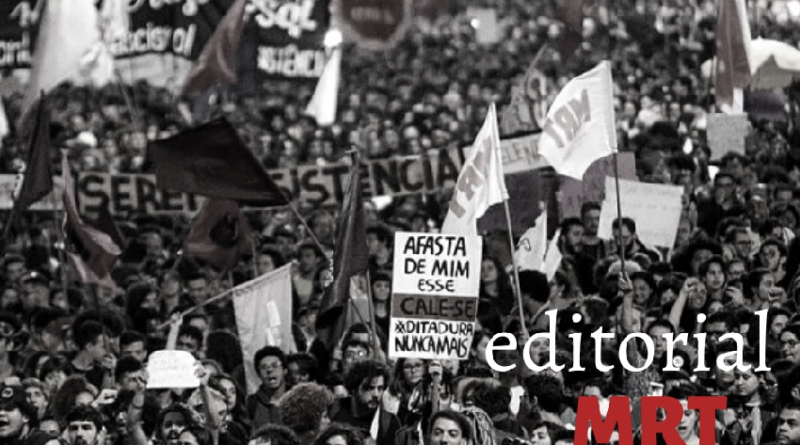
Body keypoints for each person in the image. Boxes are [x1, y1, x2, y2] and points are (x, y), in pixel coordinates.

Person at [330, 360, 399, 444]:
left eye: (380, 388)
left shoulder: (389, 422)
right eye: (369, 388)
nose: (376, 394)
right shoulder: (334, 409)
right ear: (354, 388)